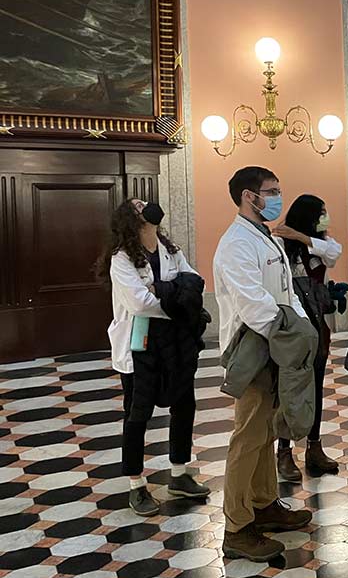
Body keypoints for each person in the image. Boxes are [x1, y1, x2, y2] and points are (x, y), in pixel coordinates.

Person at [214, 167, 313, 562]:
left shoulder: (264, 236)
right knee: (248, 435)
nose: (277, 197)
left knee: (267, 431)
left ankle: (264, 503)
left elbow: (286, 294)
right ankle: (237, 527)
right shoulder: (235, 243)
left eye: (278, 189)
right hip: (253, 348)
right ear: (246, 196)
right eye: (270, 192)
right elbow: (254, 304)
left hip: (277, 344)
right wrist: (291, 333)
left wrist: (303, 328)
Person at [101, 198, 209, 517]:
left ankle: (179, 473)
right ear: (132, 219)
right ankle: (136, 484)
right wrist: (175, 298)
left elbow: (194, 282)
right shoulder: (121, 258)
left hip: (175, 341)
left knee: (184, 404)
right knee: (138, 413)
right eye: (139, 206)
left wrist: (171, 293)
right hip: (140, 343)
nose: (147, 207)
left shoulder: (170, 250)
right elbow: (140, 302)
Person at [270, 195, 343, 481]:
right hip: (293, 327)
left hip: (318, 327)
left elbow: (333, 254)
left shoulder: (321, 244)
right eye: (321, 213)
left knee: (315, 387)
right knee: (290, 388)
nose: (325, 217)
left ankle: (314, 447)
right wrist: (292, 238)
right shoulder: (279, 244)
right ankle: (284, 452)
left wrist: (301, 236)